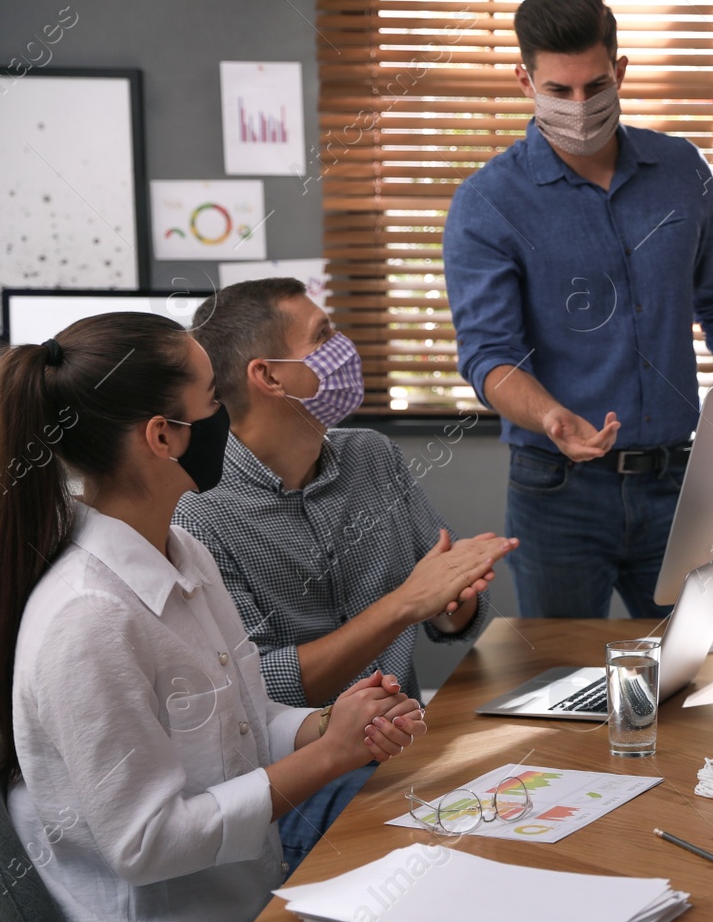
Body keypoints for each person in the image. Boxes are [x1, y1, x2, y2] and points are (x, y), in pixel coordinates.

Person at [0, 314, 428, 922]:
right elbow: (148, 841)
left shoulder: (183, 552)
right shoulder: (87, 619)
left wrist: (328, 723)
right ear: (163, 435)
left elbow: (249, 716)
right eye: (212, 401)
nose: (227, 415)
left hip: (244, 905)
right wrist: (328, 758)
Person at [444, 0, 713, 619]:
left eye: (595, 88)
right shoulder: (488, 203)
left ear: (619, 72)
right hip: (557, 490)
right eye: (558, 91)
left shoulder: (682, 170)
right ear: (524, 81)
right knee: (562, 688)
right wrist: (553, 418)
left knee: (707, 678)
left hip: (682, 483)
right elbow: (488, 354)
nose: (579, 105)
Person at [173, 278, 513, 870]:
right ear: (270, 377)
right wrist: (405, 603)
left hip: (407, 739)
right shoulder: (199, 510)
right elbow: (261, 690)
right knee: (469, 847)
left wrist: (454, 595)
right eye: (323, 336)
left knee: (528, 794)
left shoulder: (370, 454)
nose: (345, 348)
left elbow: (446, 611)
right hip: (305, 777)